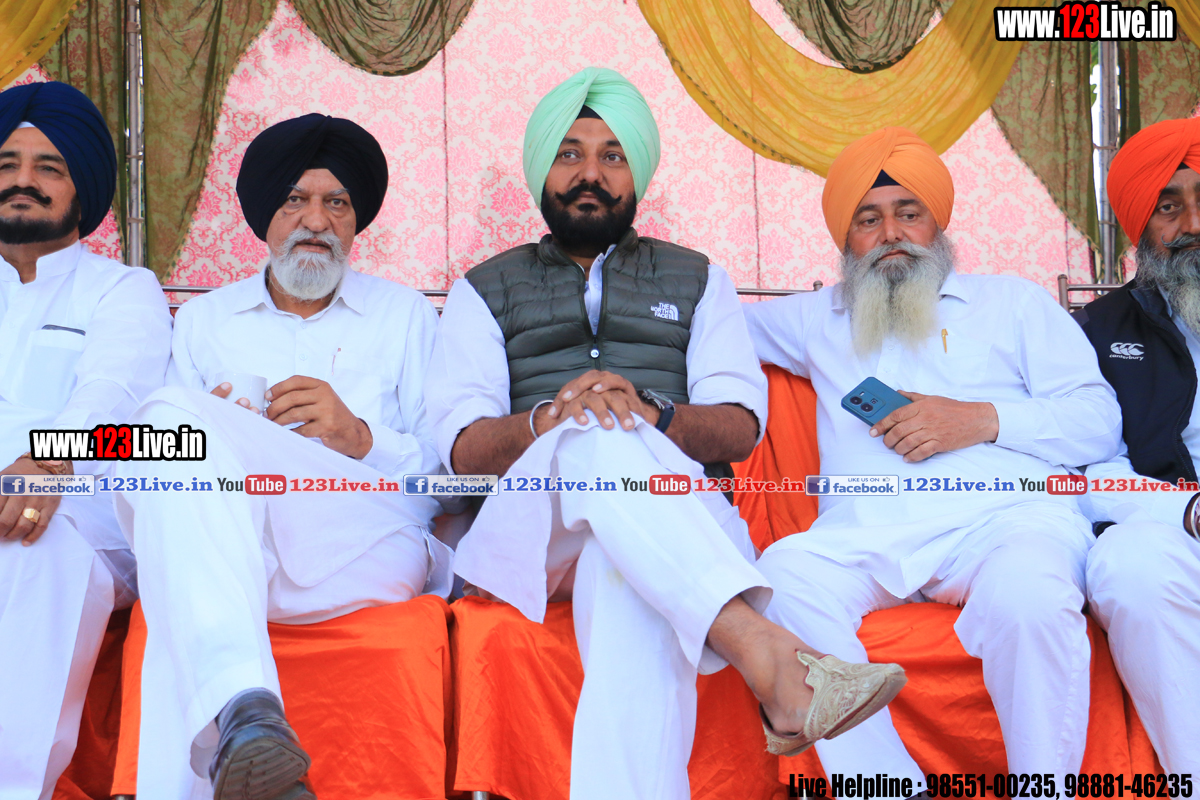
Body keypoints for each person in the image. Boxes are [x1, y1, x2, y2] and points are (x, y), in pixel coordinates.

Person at [426, 67, 905, 800]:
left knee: (621, 565)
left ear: (638, 173)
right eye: (570, 153)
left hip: (680, 519)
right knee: (592, 435)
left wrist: (649, 414)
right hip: (532, 536)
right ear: (542, 169)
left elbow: (740, 427)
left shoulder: (699, 279)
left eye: (613, 155)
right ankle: (763, 652)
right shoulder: (481, 290)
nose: (590, 173)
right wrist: (553, 421)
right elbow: (461, 448)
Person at [744, 127, 1122, 784]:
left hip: (1004, 525)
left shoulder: (1011, 302)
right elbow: (708, 318)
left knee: (1032, 598)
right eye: (868, 219)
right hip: (864, 537)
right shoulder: (815, 318)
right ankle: (886, 788)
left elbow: (1099, 421)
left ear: (937, 223)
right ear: (845, 239)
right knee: (780, 580)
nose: (891, 233)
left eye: (907, 212)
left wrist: (980, 420)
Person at [113, 115, 452, 800]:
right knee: (172, 428)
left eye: (337, 203)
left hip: (365, 546)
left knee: (175, 442)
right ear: (265, 214)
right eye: (295, 200)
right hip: (244, 546)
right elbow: (158, 467)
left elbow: (449, 481)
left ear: (357, 220)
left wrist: (363, 438)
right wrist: (223, 436)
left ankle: (243, 717)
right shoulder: (204, 321)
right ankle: (251, 728)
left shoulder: (407, 317)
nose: (315, 221)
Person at [0, 82, 171, 798]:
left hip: (82, 511)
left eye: (49, 167)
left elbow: (113, 390)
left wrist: (45, 462)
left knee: (35, 542)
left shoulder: (122, 288)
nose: (23, 181)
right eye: (7, 163)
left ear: (83, 186)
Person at [1073, 116, 1200, 773]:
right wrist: (1188, 512)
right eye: (1168, 207)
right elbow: (1084, 470)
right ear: (1139, 226)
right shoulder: (1096, 330)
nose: (1193, 224)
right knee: (1127, 566)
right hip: (1175, 526)